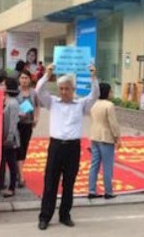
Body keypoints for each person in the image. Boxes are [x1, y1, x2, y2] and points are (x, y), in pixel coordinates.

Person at [36, 64, 99, 231]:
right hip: (56, 147)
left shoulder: (81, 105)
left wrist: (93, 77)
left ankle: (65, 215)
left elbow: (95, 95)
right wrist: (47, 74)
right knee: (50, 183)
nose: (64, 92)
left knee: (69, 183)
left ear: (73, 89)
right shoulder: (52, 103)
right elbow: (39, 91)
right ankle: (45, 217)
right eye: (61, 89)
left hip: (72, 148)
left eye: (67, 89)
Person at [88, 82, 122, 199]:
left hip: (94, 136)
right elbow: (113, 124)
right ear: (107, 92)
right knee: (107, 166)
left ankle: (91, 190)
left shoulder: (93, 104)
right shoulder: (109, 105)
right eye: (111, 91)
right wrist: (117, 137)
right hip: (106, 138)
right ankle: (108, 192)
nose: (111, 93)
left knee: (94, 165)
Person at [0, 77, 21, 197]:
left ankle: (12, 187)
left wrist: (9, 138)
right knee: (1, 162)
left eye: (3, 85)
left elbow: (13, 123)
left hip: (10, 139)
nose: (1, 86)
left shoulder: (13, 103)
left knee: (11, 163)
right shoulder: (5, 100)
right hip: (2, 137)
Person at [16, 70, 40, 188]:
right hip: (16, 124)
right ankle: (21, 177)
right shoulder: (15, 91)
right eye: (22, 78)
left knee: (24, 147)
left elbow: (36, 106)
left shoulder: (33, 92)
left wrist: (36, 117)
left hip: (28, 124)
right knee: (18, 148)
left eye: (26, 78)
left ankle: (18, 171)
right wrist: (18, 113)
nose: (24, 80)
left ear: (30, 80)